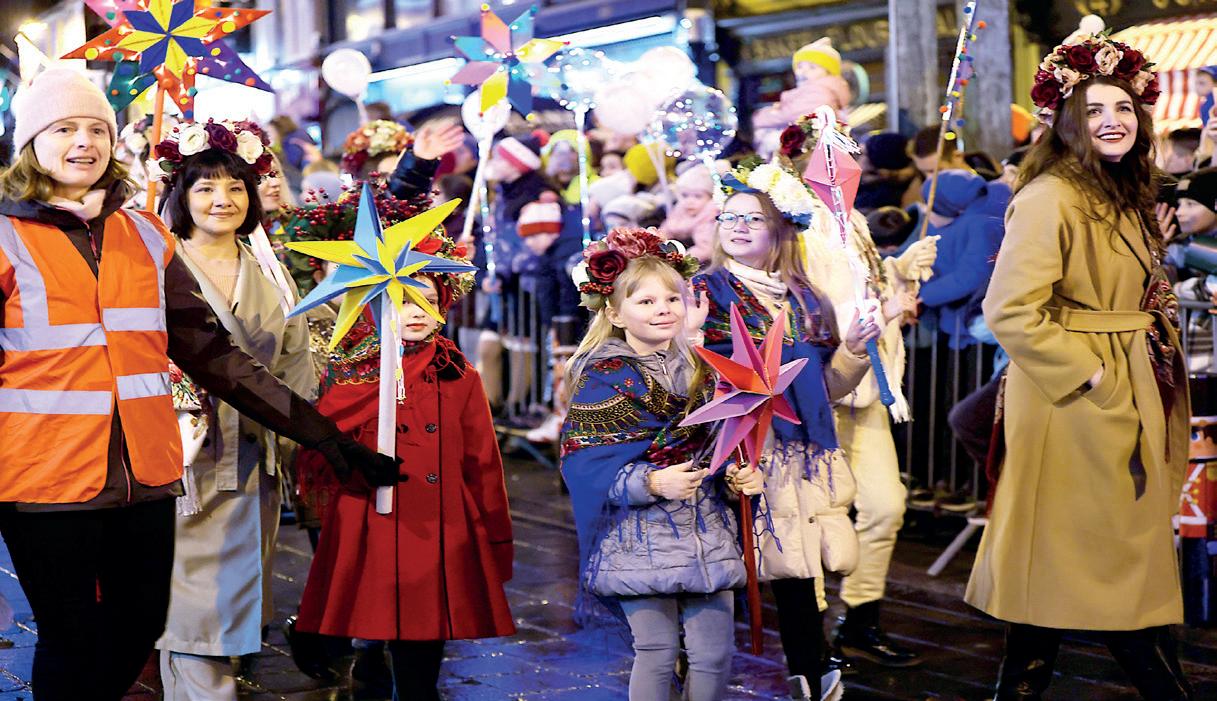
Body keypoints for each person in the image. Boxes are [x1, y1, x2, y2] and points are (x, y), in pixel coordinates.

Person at [0, 67, 390, 701]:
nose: (84, 142)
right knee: (71, 638)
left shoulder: (144, 234)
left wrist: (323, 435)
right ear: (31, 143)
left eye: (96, 129)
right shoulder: (5, 235)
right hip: (45, 480)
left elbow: (214, 354)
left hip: (146, 475)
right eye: (64, 129)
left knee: (139, 626)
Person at [967, 34, 1193, 700]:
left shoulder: (1116, 189)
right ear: (1067, 121)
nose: (1111, 120)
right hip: (1074, 403)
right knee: (1108, 566)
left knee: (1071, 569)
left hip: (1120, 384)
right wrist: (1093, 380)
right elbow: (1010, 308)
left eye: (1121, 106)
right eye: (1093, 110)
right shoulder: (1052, 195)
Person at [690, 163, 880, 700]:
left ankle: (810, 670)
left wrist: (854, 350)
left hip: (796, 451)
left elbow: (827, 387)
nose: (739, 226)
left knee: (796, 562)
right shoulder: (705, 291)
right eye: (730, 216)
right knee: (718, 564)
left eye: (754, 218)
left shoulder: (806, 298)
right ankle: (689, 666)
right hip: (731, 448)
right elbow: (691, 376)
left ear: (781, 229)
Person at [295, 232, 512, 701]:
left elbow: (482, 461)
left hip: (437, 522)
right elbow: (324, 443)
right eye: (403, 299)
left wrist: (495, 534)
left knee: (423, 636)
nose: (416, 312)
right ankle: (364, 663)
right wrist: (356, 464)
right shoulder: (355, 371)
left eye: (428, 300)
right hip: (371, 517)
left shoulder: (458, 373)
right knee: (373, 617)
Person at [151, 119, 315, 699]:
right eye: (205, 187)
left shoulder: (269, 269)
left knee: (233, 604)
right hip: (185, 461)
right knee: (194, 612)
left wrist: (299, 444)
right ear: (181, 195)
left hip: (253, 461)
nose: (222, 199)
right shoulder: (159, 265)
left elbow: (295, 360)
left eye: (235, 187)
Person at [562, 229, 756, 700]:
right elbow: (585, 464)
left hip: (705, 530)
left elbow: (720, 443)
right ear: (614, 313)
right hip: (637, 536)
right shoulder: (605, 377)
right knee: (656, 649)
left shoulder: (705, 370)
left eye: (672, 298)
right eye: (646, 301)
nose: (664, 309)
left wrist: (734, 475)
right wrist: (650, 482)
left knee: (714, 654)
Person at [660, 163, 719, 262]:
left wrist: (682, 260)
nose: (690, 201)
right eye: (685, 195)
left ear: (710, 198)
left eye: (698, 196)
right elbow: (665, 230)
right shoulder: (680, 210)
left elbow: (705, 249)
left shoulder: (709, 217)